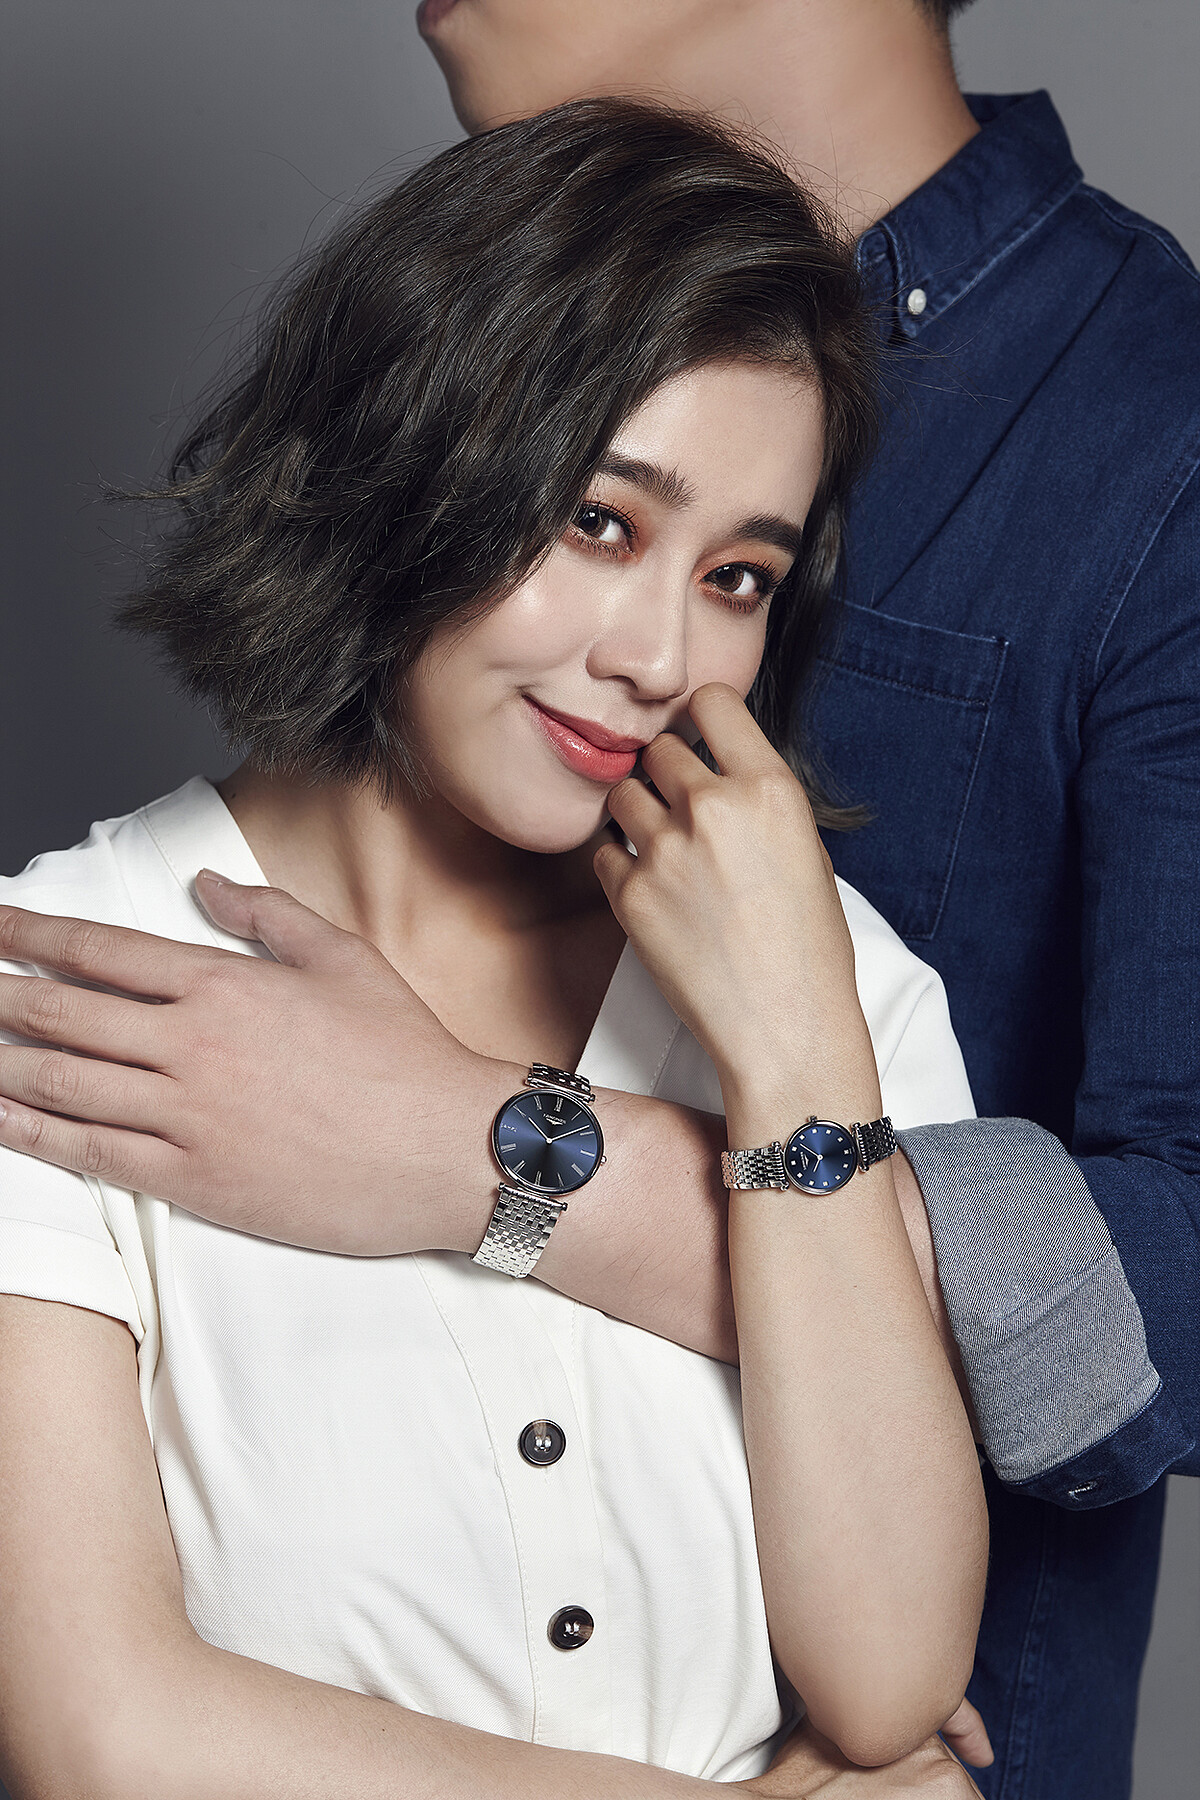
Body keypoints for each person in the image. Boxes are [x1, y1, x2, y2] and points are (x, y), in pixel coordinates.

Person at [1, 1, 1195, 1794]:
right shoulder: (72, 981)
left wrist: (783, 1046)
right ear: (408, 461)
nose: (658, 657)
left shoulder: (825, 988)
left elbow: (888, 1679)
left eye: (739, 577)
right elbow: (101, 1733)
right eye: (602, 525)